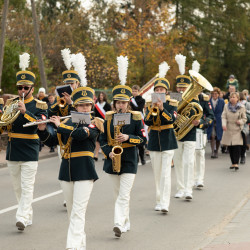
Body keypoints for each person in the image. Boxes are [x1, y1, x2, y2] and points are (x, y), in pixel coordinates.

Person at [38, 86, 103, 250]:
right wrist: (42, 129)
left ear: (91, 107)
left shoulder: (95, 123)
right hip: (66, 171)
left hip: (85, 171)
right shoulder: (66, 122)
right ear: (75, 107)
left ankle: (72, 246)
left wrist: (60, 125)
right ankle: (80, 244)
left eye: (88, 105)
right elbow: (52, 141)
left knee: (78, 211)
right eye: (81, 106)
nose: (85, 108)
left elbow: (81, 134)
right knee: (72, 212)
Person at [99, 55, 146, 238]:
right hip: (113, 159)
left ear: (128, 103)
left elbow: (142, 139)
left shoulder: (135, 117)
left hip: (129, 159)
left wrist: (128, 137)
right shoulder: (109, 117)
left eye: (123, 102)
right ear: (114, 103)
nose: (120, 105)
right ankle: (125, 221)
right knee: (118, 194)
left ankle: (118, 223)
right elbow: (102, 139)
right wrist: (108, 152)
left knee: (124, 194)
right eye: (118, 102)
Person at [1, 53, 48, 231]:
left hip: (30, 148)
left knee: (27, 186)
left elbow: (39, 124)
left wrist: (24, 111)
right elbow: (4, 125)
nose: (22, 90)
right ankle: (27, 214)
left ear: (31, 88)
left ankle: (21, 216)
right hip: (13, 149)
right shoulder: (11, 103)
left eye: (25, 87)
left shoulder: (39, 105)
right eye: (20, 86)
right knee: (17, 187)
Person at [144, 61, 178, 213]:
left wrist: (163, 109)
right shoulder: (149, 104)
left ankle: (165, 203)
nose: (159, 91)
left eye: (162, 89)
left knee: (165, 173)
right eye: (157, 89)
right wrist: (152, 109)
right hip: (154, 141)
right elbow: (146, 121)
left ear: (166, 91)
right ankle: (158, 200)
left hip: (168, 140)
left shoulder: (172, 103)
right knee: (157, 173)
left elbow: (171, 119)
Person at [173, 54, 201, 200]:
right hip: (176, 134)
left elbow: (203, 115)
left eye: (184, 87)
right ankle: (180, 188)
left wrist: (199, 122)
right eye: (180, 86)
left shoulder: (194, 98)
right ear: (177, 87)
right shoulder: (172, 98)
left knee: (189, 161)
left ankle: (188, 189)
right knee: (177, 161)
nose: (182, 89)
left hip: (189, 133)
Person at [221, 92, 247, 170]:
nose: (232, 98)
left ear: (237, 99)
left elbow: (244, 118)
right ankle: (233, 163)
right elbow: (224, 116)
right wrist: (224, 125)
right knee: (230, 147)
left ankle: (236, 163)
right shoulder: (226, 106)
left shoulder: (241, 107)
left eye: (234, 97)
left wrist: (240, 121)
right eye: (231, 97)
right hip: (228, 128)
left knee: (237, 146)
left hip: (237, 129)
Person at [194, 92, 214, 188]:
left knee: (200, 154)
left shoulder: (203, 98)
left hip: (199, 130)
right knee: (187, 156)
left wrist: (201, 122)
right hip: (184, 131)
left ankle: (199, 179)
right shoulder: (181, 96)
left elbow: (210, 116)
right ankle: (190, 179)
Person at [207, 87, 225, 158]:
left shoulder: (221, 101)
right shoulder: (208, 101)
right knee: (212, 136)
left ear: (218, 94)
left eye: (216, 93)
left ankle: (216, 151)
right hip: (211, 120)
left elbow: (224, 111)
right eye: (213, 94)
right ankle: (212, 151)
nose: (214, 95)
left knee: (218, 137)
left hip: (219, 120)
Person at [130, 85, 146, 165]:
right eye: (133, 91)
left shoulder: (142, 100)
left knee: (140, 140)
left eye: (136, 91)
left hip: (140, 119)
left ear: (139, 91)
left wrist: (131, 105)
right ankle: (136, 159)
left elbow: (139, 109)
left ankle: (142, 158)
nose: (134, 92)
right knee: (133, 139)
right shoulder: (130, 99)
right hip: (132, 119)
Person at [94, 91, 111, 160]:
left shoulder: (107, 105)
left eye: (102, 95)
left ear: (104, 96)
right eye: (100, 95)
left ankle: (105, 155)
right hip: (98, 124)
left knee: (105, 139)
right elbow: (95, 114)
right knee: (97, 140)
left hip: (105, 124)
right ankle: (96, 155)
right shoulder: (96, 105)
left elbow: (109, 115)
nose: (101, 97)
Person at [239, 92, 250, 164]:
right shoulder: (232, 104)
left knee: (243, 136)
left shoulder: (247, 104)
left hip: (244, 124)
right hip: (235, 124)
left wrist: (246, 111)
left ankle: (243, 155)